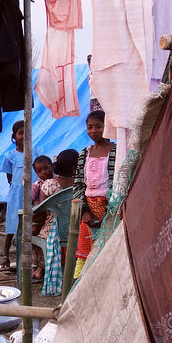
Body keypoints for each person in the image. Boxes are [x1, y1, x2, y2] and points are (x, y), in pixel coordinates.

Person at [72, 110, 116, 278]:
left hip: (110, 210)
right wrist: (84, 211)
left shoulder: (115, 151)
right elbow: (78, 184)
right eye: (90, 127)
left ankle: (104, 282)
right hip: (88, 210)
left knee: (107, 249)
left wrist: (111, 209)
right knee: (84, 249)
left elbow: (120, 181)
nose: (93, 131)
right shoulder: (85, 153)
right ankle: (79, 283)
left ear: (108, 127)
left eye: (99, 126)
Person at [0, 120, 42, 269]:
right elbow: (10, 178)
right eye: (20, 133)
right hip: (16, 194)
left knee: (33, 222)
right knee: (12, 224)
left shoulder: (37, 152)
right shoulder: (10, 156)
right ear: (14, 136)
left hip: (35, 193)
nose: (24, 136)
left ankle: (34, 256)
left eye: (27, 132)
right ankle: (5, 255)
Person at [32, 149, 79, 280]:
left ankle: (40, 267)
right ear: (75, 169)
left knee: (29, 233)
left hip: (51, 231)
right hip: (75, 230)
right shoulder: (79, 185)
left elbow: (40, 214)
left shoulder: (49, 184)